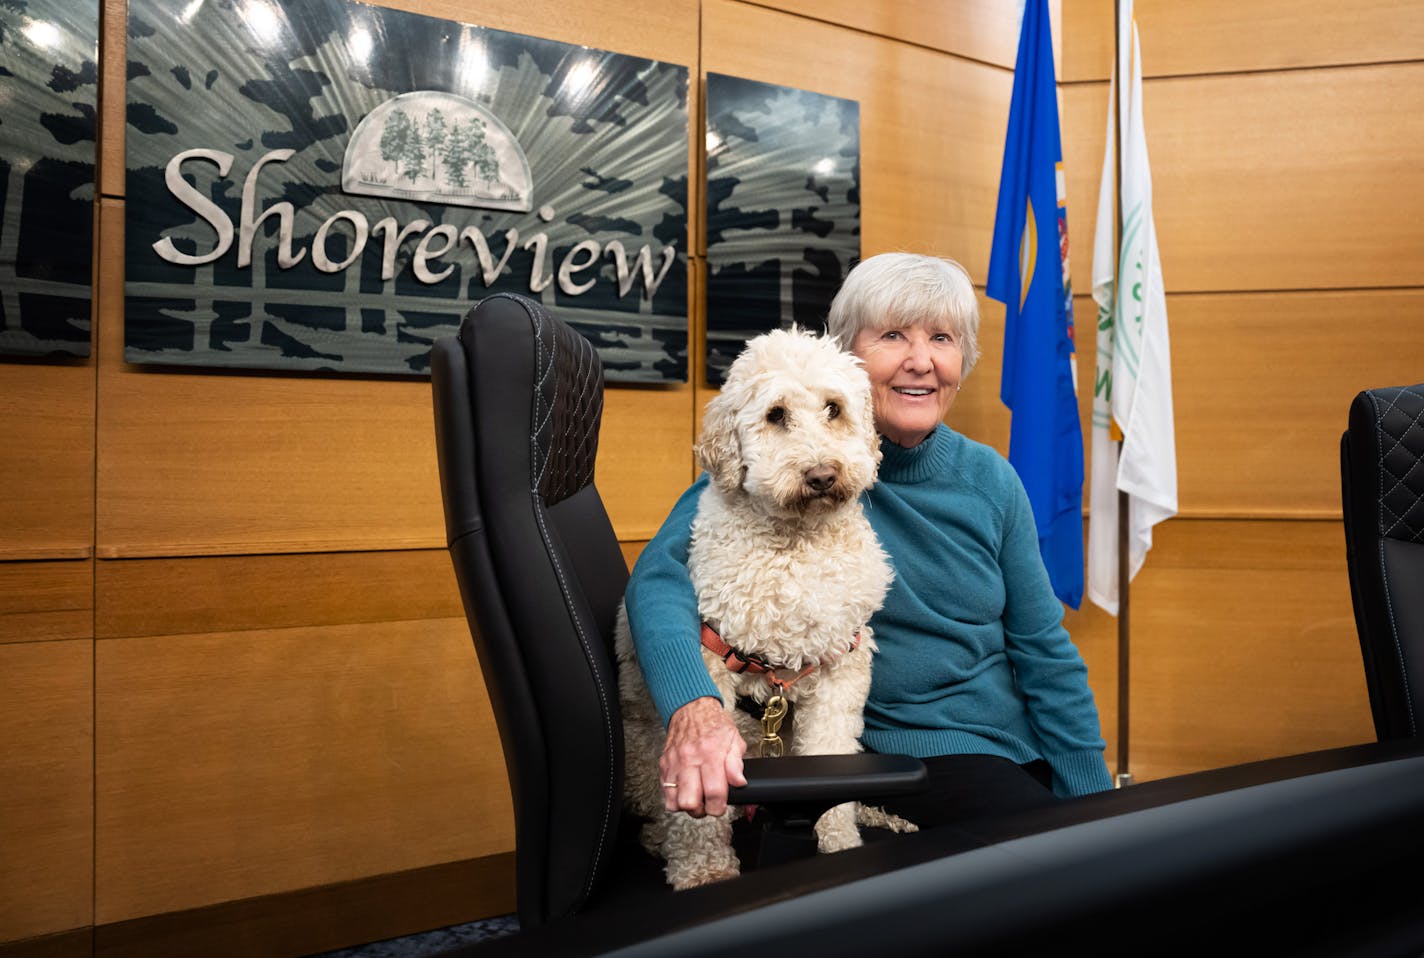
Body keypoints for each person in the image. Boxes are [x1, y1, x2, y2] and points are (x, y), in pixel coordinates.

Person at [624, 252, 1112, 828]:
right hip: (870, 762)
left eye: (942, 338)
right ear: (845, 353)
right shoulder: (775, 472)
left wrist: (1096, 800)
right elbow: (657, 582)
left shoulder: (991, 480)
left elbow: (1043, 650)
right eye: (893, 336)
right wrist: (695, 705)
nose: (921, 361)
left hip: (999, 748)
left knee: (1098, 865)